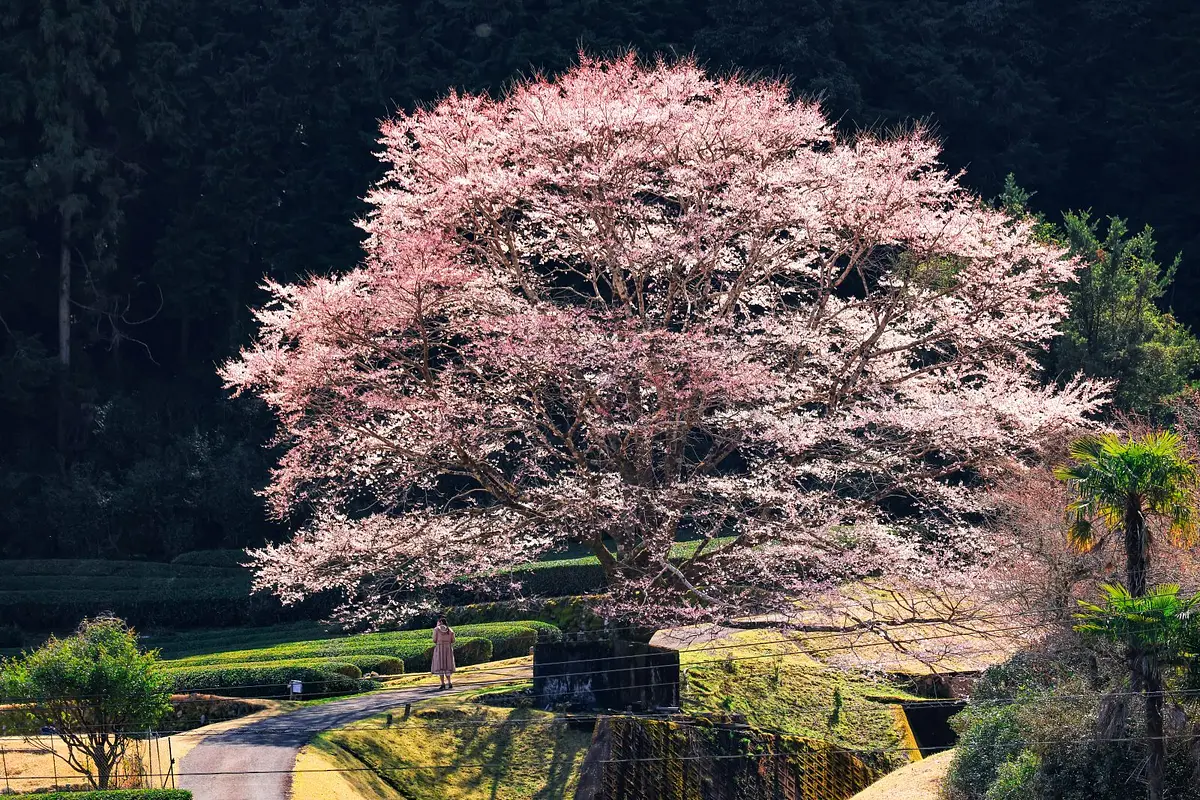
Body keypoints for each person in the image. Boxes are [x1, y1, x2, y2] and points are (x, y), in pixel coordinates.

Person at [431, 616, 456, 689]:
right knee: (447, 666)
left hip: (439, 648)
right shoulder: (450, 630)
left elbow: (434, 640)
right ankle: (449, 682)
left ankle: (442, 683)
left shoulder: (436, 629)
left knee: (440, 666)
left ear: (440, 622)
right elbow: (453, 640)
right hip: (448, 648)